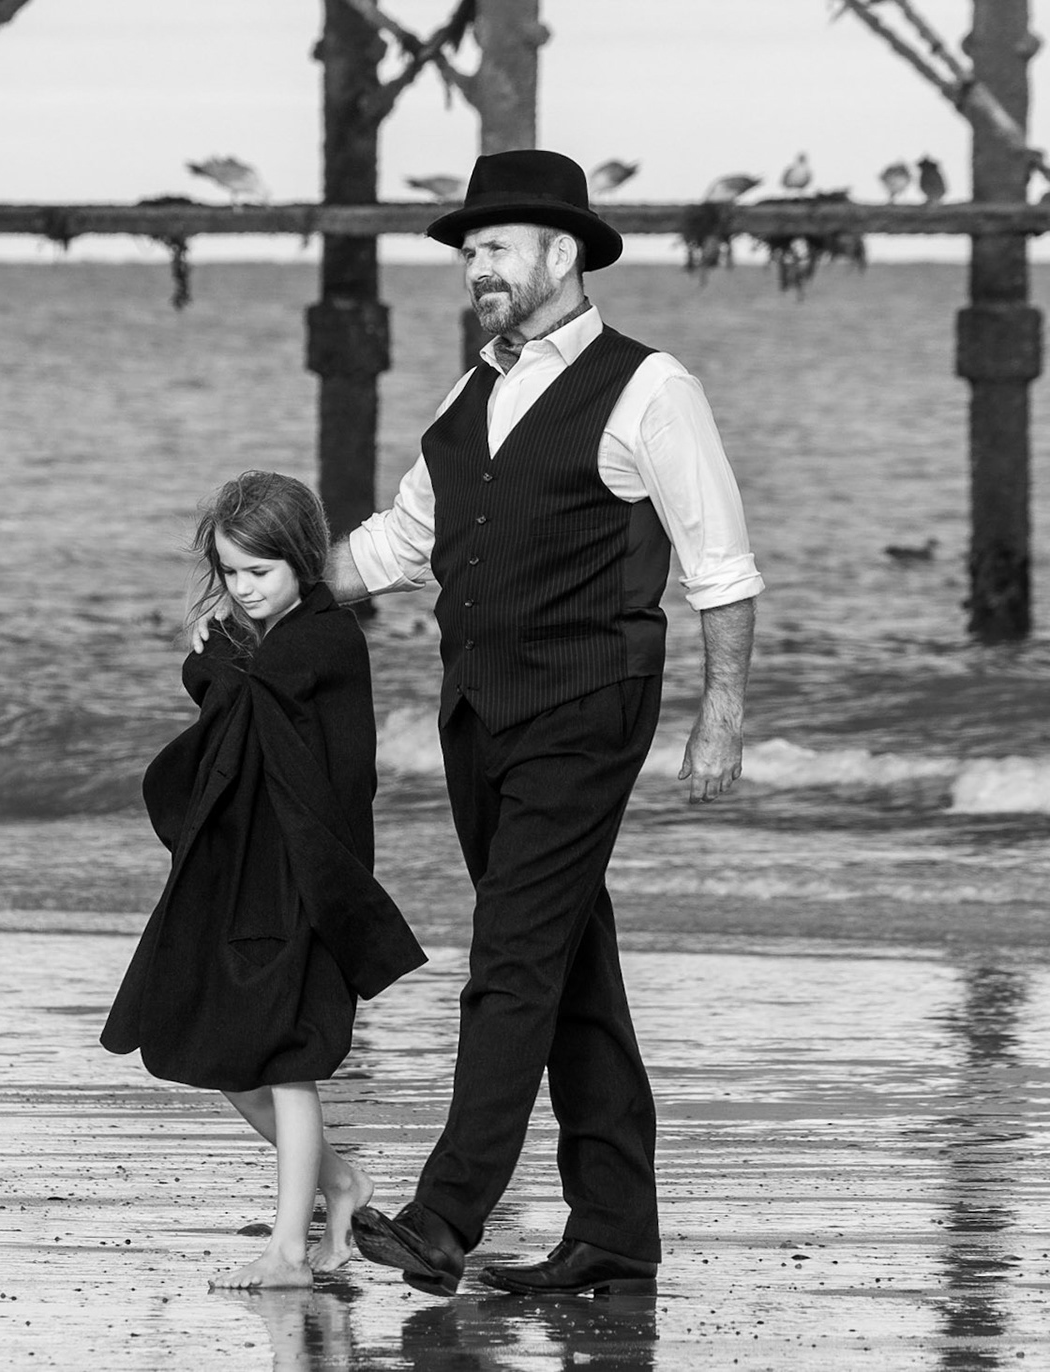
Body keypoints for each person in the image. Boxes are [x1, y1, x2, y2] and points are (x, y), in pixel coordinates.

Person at [293, 149, 761, 1298]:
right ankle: (617, 1229)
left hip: (587, 707)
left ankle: (446, 1216)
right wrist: (277, 596)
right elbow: (401, 542)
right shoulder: (469, 397)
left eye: (496, 248)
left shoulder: (650, 387)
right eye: (469, 253)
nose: (477, 270)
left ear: (562, 252)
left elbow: (720, 562)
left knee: (510, 954)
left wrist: (721, 714)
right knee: (567, 958)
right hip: (476, 711)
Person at [102, 471, 427, 1290]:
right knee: (218, 1048)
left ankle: (288, 1249)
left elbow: (269, 718)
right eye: (231, 571)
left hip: (306, 878)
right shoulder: (261, 643)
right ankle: (340, 1183)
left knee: (286, 1059)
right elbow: (232, 719)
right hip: (245, 872)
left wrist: (215, 658)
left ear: (304, 561)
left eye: (260, 571)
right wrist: (220, 655)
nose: (244, 588)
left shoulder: (322, 640)